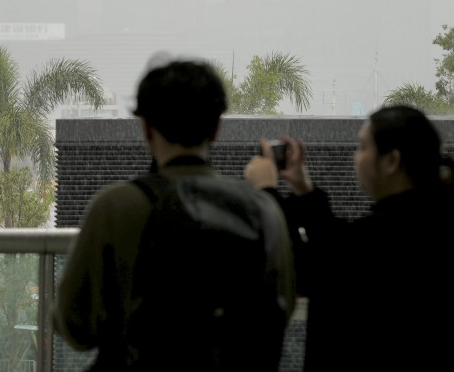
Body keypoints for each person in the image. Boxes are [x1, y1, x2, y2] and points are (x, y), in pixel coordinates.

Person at [53, 58, 295, 372]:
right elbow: (281, 309)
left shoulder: (114, 207)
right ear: (216, 128)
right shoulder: (262, 209)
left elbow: (75, 327)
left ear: (146, 128)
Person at [245, 105, 454, 371]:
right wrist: (302, 189)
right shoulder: (435, 226)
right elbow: (340, 249)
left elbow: (316, 268)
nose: (356, 157)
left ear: (391, 161)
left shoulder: (390, 237)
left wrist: (266, 193)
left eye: (363, 147)